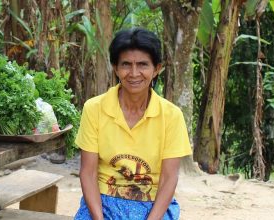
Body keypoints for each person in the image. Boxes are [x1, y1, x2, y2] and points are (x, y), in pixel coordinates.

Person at [74, 28, 192, 220]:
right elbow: (88, 173)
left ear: (157, 69)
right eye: (126, 64)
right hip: (102, 204)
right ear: (115, 67)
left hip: (153, 206)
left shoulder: (172, 116)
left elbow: (169, 179)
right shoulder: (94, 108)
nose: (134, 73)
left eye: (143, 65)